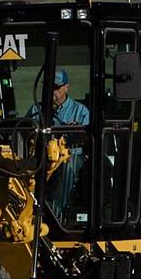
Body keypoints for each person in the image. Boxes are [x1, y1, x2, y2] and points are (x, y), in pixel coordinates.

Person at [26, 69, 89, 221]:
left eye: (56, 87)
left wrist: (76, 132)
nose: (51, 91)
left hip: (70, 155)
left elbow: (88, 139)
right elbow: (25, 132)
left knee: (67, 166)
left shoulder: (80, 111)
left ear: (66, 87)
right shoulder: (36, 110)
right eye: (48, 87)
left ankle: (55, 213)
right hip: (41, 156)